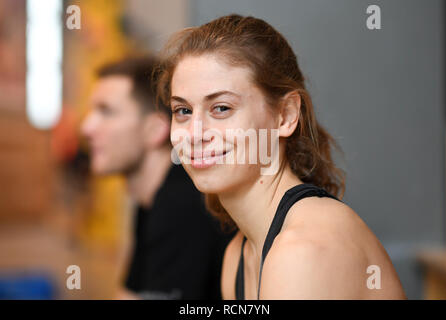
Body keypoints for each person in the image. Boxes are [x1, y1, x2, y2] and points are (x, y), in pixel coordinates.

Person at [156, 15, 407, 299]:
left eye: (222, 108)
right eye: (183, 111)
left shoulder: (303, 251)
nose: (195, 134)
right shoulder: (238, 255)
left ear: (286, 115)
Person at [81, 56, 232, 300]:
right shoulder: (151, 199)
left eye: (106, 112)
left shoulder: (181, 204)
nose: (86, 127)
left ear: (154, 130)